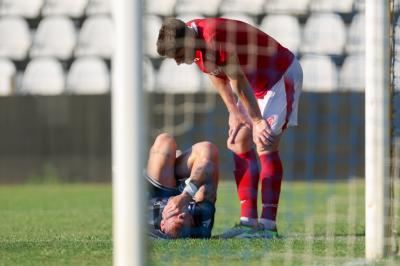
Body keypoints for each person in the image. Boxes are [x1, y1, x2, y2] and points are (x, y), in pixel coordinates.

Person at [156, 18, 303, 238]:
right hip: (255, 87)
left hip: (278, 77)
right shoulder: (193, 39)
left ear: (186, 40)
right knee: (237, 141)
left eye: (177, 55)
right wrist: (234, 112)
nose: (177, 62)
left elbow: (237, 80)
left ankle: (268, 225)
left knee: (265, 141)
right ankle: (248, 222)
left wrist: (257, 120)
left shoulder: (213, 37)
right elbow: (216, 75)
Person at [147, 133, 219, 239]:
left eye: (176, 221)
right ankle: (176, 165)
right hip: (190, 189)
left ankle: (172, 165)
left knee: (165, 142)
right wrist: (186, 195)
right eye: (186, 225)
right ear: (191, 221)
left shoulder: (149, 220)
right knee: (207, 149)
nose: (181, 215)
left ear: (162, 224)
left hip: (160, 189)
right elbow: (209, 154)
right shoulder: (201, 217)